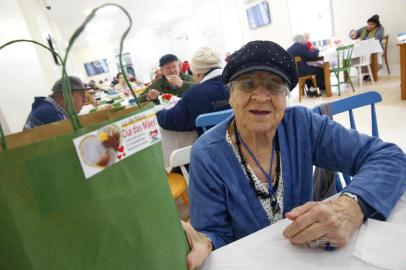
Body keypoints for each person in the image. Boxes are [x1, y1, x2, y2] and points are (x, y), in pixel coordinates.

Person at [182, 40, 406, 269]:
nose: (261, 96)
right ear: (230, 95)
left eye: (274, 85)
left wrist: (349, 207)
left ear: (286, 96)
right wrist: (206, 242)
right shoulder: (207, 155)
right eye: (247, 84)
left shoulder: (301, 125)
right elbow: (214, 239)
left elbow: (390, 157)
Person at [156, 47, 230, 135]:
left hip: (212, 145)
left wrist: (158, 113)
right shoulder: (236, 83)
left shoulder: (196, 94)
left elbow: (172, 120)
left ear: (199, 73)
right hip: (241, 142)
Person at [23, 76, 90, 130]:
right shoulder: (51, 114)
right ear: (64, 95)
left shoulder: (46, 106)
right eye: (81, 94)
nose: (84, 100)